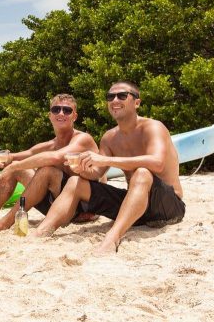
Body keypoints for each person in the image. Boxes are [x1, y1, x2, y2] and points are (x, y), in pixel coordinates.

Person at [32, 81, 185, 255]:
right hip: (135, 207)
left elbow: (157, 163)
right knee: (76, 182)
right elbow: (97, 172)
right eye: (110, 97)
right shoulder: (109, 137)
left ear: (137, 102)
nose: (115, 100)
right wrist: (81, 167)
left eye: (122, 95)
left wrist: (104, 159)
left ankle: (112, 238)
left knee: (142, 172)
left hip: (167, 206)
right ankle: (41, 232)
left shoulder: (153, 127)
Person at [0, 93, 100, 234]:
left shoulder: (83, 139)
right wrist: (5, 159)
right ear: (50, 116)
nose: (61, 113)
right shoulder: (50, 144)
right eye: (56, 109)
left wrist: (12, 166)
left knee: (46, 170)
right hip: (58, 207)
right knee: (18, 169)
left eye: (67, 110)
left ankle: (3, 224)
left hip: (84, 208)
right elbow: (25, 154)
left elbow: (56, 157)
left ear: (74, 116)